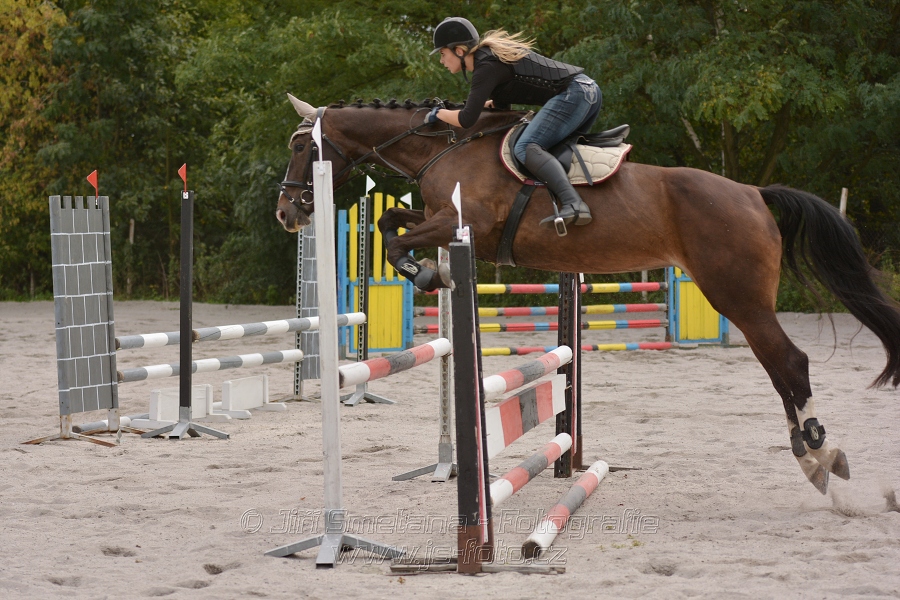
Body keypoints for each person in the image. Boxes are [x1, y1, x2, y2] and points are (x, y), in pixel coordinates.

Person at [426, 16, 601, 228]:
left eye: (443, 54)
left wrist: (439, 113)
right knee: (551, 150)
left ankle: (574, 204)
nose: (442, 61)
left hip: (574, 94)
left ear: (459, 51)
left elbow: (466, 119)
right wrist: (486, 105)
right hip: (589, 91)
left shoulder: (486, 67)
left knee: (525, 147)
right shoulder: (490, 60)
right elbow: (502, 111)